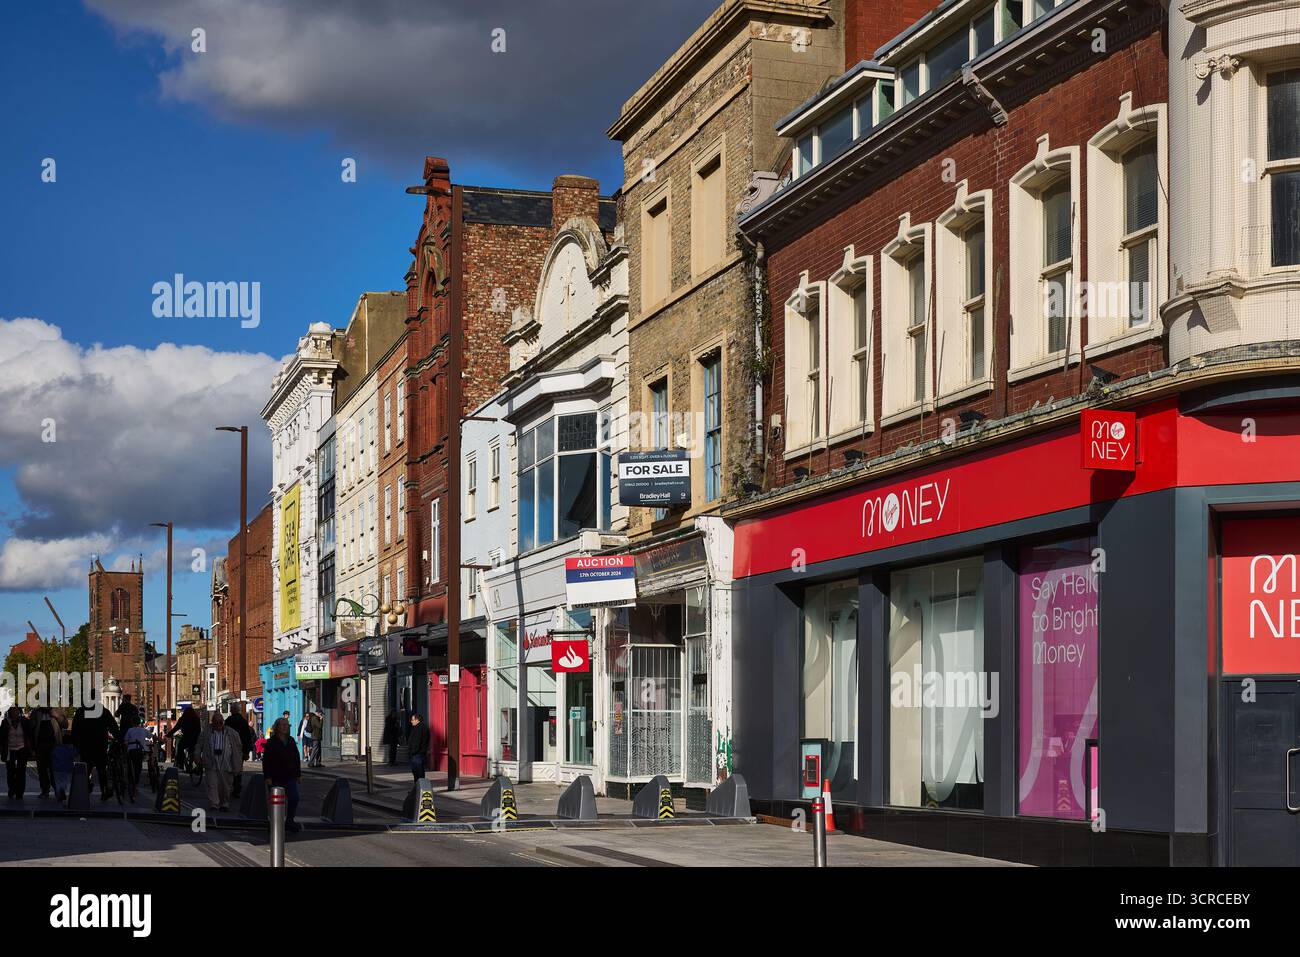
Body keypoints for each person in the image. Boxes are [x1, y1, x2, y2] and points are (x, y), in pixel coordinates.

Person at [71, 704, 119, 800]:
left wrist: (76, 743)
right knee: (101, 770)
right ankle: (104, 791)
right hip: (100, 745)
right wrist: (118, 738)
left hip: (85, 745)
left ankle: (84, 788)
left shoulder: (81, 711)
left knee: (86, 769)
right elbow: (113, 725)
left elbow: (75, 728)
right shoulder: (103, 711)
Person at [197, 712, 243, 812]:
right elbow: (199, 745)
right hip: (211, 762)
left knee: (226, 786)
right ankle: (214, 803)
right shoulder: (206, 732)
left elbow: (238, 748)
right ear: (212, 723)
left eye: (220, 722)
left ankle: (224, 803)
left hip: (227, 763)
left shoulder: (232, 733)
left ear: (223, 722)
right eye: (216, 722)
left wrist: (238, 763)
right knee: (212, 784)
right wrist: (197, 757)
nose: (218, 724)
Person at [262, 717, 302, 832]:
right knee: (276, 801)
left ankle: (290, 820)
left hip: (290, 776)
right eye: (282, 725)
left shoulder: (291, 741)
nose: (285, 727)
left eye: (287, 725)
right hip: (276, 777)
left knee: (294, 798)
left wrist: (298, 774)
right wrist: (267, 777)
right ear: (277, 727)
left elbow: (296, 758)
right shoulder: (271, 742)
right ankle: (274, 822)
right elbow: (267, 761)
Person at [1, 707, 35, 799]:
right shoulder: (5, 722)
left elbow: (29, 734)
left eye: (16, 710)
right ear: (10, 712)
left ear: (19, 711)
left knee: (21, 771)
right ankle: (11, 790)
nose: (14, 712)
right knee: (10, 771)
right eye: (12, 710)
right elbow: (2, 737)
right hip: (10, 749)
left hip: (21, 748)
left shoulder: (24, 721)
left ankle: (20, 792)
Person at [226, 703, 254, 798]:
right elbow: (247, 737)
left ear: (234, 710)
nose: (230, 711)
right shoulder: (243, 721)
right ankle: (237, 787)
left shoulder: (229, 721)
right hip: (240, 750)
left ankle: (232, 786)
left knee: (229, 768)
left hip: (229, 749)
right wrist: (246, 751)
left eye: (231, 709)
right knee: (238, 769)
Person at [32, 707, 58, 798]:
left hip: (54, 745)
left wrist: (56, 716)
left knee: (54, 769)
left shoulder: (56, 710)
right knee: (42, 769)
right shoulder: (36, 712)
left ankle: (57, 789)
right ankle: (45, 790)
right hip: (40, 744)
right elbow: (32, 728)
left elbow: (65, 724)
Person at [166, 705, 201, 771]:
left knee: (180, 747)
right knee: (193, 751)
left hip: (186, 738)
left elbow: (176, 728)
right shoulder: (196, 719)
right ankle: (196, 765)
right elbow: (199, 730)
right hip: (195, 738)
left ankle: (181, 764)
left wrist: (168, 734)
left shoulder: (183, 719)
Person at [51, 731, 76, 803]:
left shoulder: (57, 748)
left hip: (56, 768)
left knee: (58, 782)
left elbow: (52, 755)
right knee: (66, 781)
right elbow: (75, 753)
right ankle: (63, 790)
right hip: (67, 768)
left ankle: (59, 793)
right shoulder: (70, 749)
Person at [406, 712, 430, 784]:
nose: (411, 721)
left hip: (417, 754)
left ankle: (419, 788)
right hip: (418, 753)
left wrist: (412, 752)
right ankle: (417, 788)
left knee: (418, 773)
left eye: (412, 720)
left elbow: (417, 741)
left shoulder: (419, 728)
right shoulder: (420, 727)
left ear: (417, 720)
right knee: (418, 773)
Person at [124, 721, 150, 786]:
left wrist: (126, 745)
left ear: (132, 723)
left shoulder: (130, 730)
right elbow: (151, 736)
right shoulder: (143, 730)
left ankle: (131, 780)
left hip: (131, 750)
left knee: (130, 764)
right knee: (138, 765)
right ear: (139, 723)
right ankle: (136, 780)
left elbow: (126, 740)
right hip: (140, 749)